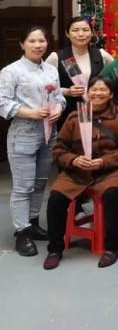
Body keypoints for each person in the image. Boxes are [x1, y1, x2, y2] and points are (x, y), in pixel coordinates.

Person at [42, 76, 118, 269]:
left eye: (102, 90)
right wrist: (74, 160)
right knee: (56, 198)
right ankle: (55, 248)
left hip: (109, 170)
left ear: (110, 94)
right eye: (93, 89)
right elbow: (59, 149)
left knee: (112, 195)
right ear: (87, 92)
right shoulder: (75, 116)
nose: (97, 93)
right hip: (78, 171)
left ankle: (111, 247)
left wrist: (103, 162)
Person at [0, 26, 65, 256]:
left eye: (42, 41)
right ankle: (22, 231)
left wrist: (58, 108)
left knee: (40, 183)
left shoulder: (51, 70)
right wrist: (31, 113)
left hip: (49, 133)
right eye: (32, 41)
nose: (38, 45)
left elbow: (59, 97)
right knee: (23, 186)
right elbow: (3, 103)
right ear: (22, 44)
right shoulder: (11, 71)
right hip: (23, 134)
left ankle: (34, 221)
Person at [47, 17, 114, 126]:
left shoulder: (102, 55)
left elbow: (116, 79)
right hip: (68, 116)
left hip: (98, 114)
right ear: (67, 34)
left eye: (85, 30)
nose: (81, 34)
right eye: (75, 30)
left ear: (92, 33)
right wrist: (67, 91)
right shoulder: (57, 57)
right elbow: (44, 87)